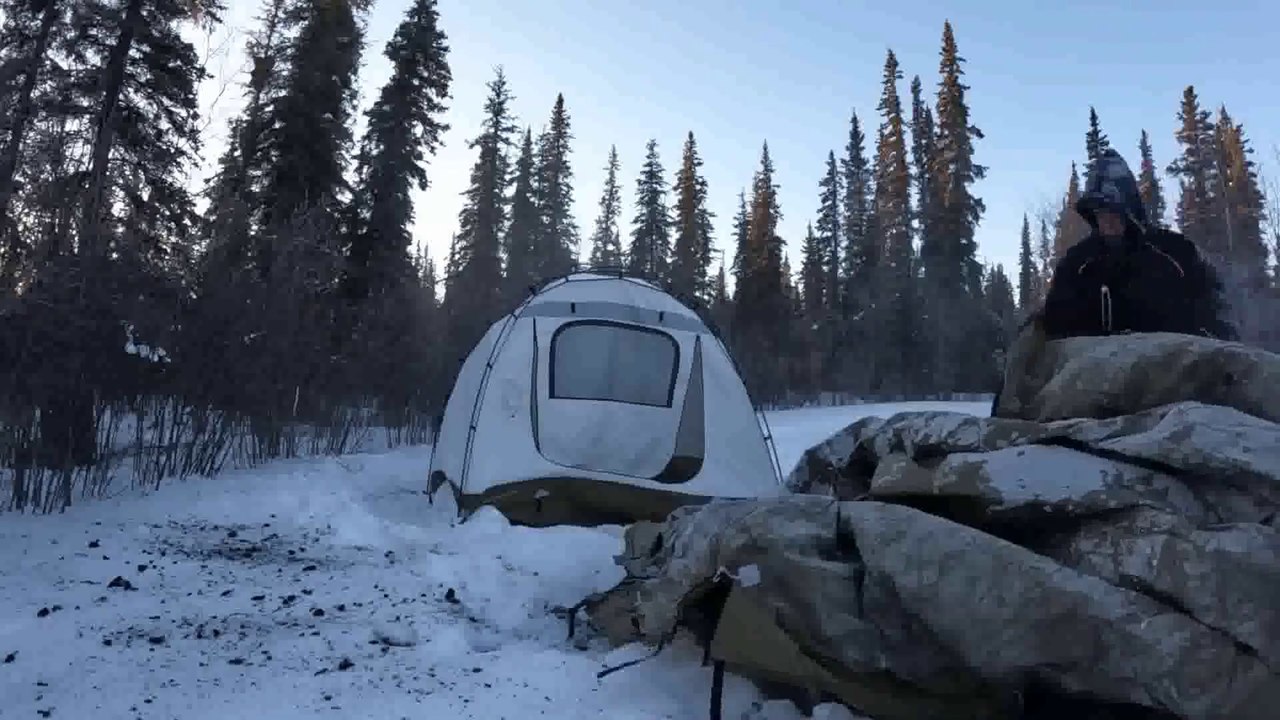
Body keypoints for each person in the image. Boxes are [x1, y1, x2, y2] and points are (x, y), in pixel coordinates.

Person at [1040, 148, 1238, 342]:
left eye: (1113, 209)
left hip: (1180, 369)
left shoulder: (1176, 253)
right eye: (1099, 210)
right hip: (1104, 372)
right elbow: (1054, 331)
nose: (1106, 219)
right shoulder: (1076, 266)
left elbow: (1218, 314)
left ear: (1130, 207)